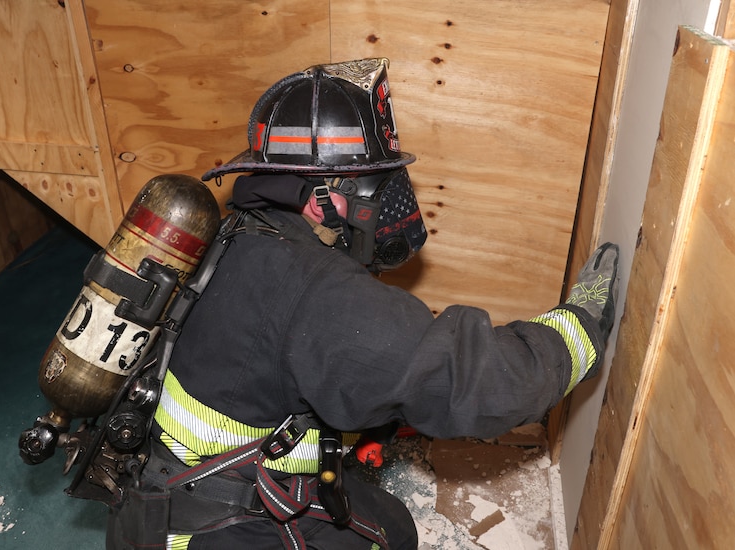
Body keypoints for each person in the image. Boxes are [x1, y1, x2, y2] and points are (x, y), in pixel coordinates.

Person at [105, 57, 619, 550]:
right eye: (377, 187)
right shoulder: (317, 291)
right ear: (318, 198)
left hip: (156, 498)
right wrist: (577, 327)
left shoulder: (238, 231)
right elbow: (473, 380)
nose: (390, 204)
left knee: (385, 515)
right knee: (395, 537)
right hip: (214, 529)